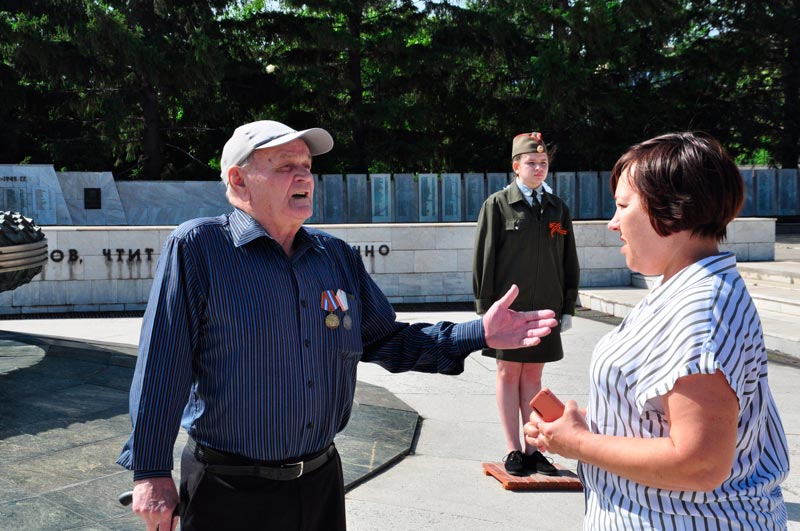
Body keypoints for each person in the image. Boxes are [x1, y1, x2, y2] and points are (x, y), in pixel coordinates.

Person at [116, 119, 559, 531]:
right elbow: (162, 366)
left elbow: (386, 339)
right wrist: (151, 471)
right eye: (286, 167)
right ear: (238, 180)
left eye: (307, 167)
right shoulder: (198, 248)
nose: (305, 178)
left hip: (320, 484)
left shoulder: (335, 257)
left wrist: (477, 332)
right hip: (229, 491)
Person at [524, 132, 789, 529]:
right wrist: (573, 430)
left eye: (622, 206)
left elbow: (699, 463)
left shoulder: (701, 308)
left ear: (672, 211)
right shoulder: (683, 288)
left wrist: (579, 443)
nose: (613, 223)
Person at [472, 131, 580, 476]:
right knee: (507, 374)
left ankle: (534, 449)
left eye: (543, 162)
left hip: (545, 307)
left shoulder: (556, 208)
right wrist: (484, 307)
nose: (538, 167)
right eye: (531, 162)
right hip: (510, 311)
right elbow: (484, 258)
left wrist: (567, 305)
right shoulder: (498, 205)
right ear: (516, 166)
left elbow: (568, 259)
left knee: (533, 377)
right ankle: (513, 450)